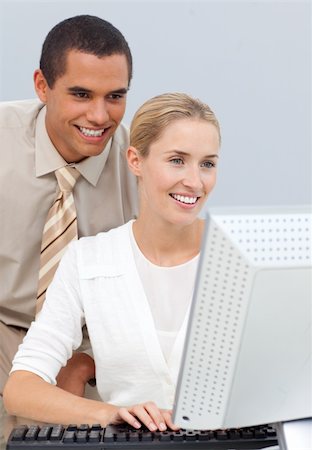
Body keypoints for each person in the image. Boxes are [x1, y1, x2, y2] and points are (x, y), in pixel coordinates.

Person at [3, 92, 221, 431]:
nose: (194, 181)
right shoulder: (89, 260)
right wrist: (109, 413)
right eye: (177, 160)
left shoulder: (237, 254)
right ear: (135, 161)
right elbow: (20, 390)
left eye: (207, 163)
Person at [0, 14, 138, 401]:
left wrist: (87, 361)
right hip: (5, 328)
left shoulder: (144, 164)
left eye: (115, 96)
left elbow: (163, 298)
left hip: (95, 349)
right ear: (42, 86)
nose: (99, 116)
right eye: (81, 94)